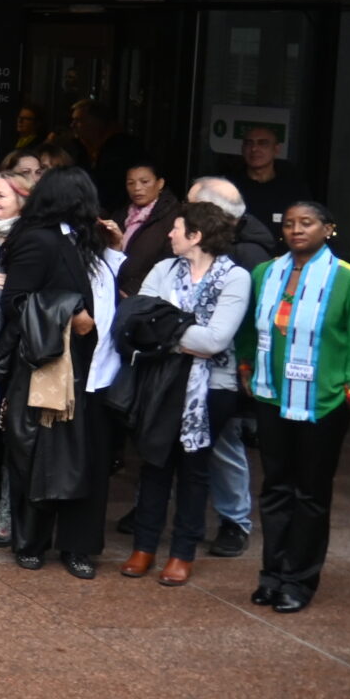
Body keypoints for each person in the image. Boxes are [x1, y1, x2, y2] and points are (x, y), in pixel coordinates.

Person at [242, 200, 350, 613]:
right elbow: (250, 328)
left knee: (310, 492)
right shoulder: (265, 273)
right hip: (272, 396)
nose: (296, 230)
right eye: (289, 223)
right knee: (275, 488)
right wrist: (245, 363)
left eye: (306, 223)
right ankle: (271, 575)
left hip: (321, 402)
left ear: (329, 229)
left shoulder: (348, 279)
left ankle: (298, 581)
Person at [117, 201, 251, 586]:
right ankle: (143, 548)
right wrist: (178, 333)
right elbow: (137, 322)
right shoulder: (163, 269)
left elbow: (216, 341)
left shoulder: (235, 278)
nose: (169, 234)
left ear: (197, 235)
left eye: (177, 229)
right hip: (161, 383)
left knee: (194, 470)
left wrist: (168, 332)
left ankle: (182, 553)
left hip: (212, 388)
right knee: (155, 463)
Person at [0, 167, 114, 578]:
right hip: (49, 367)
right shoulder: (38, 240)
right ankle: (30, 542)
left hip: (94, 370)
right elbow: (15, 301)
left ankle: (79, 546)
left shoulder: (85, 239)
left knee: (88, 459)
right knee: (40, 456)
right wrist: (69, 313)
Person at [183, 175, 272, 557]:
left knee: (223, 442)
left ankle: (235, 521)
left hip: (225, 363)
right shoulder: (204, 242)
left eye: (191, 207)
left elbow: (250, 323)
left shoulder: (248, 255)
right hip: (192, 356)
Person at [230, 124, 304, 251]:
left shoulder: (292, 187)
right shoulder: (229, 186)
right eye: (249, 143)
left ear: (276, 149)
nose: (254, 149)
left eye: (262, 143)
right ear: (242, 149)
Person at [114, 162, 183, 297]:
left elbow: (169, 260)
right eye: (130, 183)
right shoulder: (121, 214)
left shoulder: (174, 217)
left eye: (145, 182)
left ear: (160, 183)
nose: (137, 188)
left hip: (144, 293)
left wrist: (132, 289)